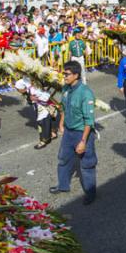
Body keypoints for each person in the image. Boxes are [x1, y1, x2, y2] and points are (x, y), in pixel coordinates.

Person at [50, 61, 98, 205]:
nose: (64, 76)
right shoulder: (66, 88)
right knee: (63, 159)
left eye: (67, 74)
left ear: (76, 75)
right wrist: (61, 123)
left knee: (87, 164)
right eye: (63, 73)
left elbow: (89, 121)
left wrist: (83, 141)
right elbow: (64, 107)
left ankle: (90, 192)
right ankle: (63, 186)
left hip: (82, 133)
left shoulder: (85, 93)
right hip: (69, 132)